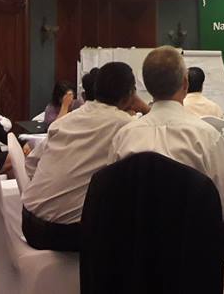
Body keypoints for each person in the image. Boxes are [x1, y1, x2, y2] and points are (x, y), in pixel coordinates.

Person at [110, 46, 224, 222]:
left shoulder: (123, 137)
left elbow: (111, 199)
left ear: (146, 85)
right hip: (194, 237)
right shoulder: (207, 136)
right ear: (185, 84)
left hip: (134, 237)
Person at [21, 62, 137, 252]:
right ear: (130, 94)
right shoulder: (125, 125)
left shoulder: (67, 120)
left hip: (28, 221)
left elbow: (31, 164)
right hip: (63, 233)